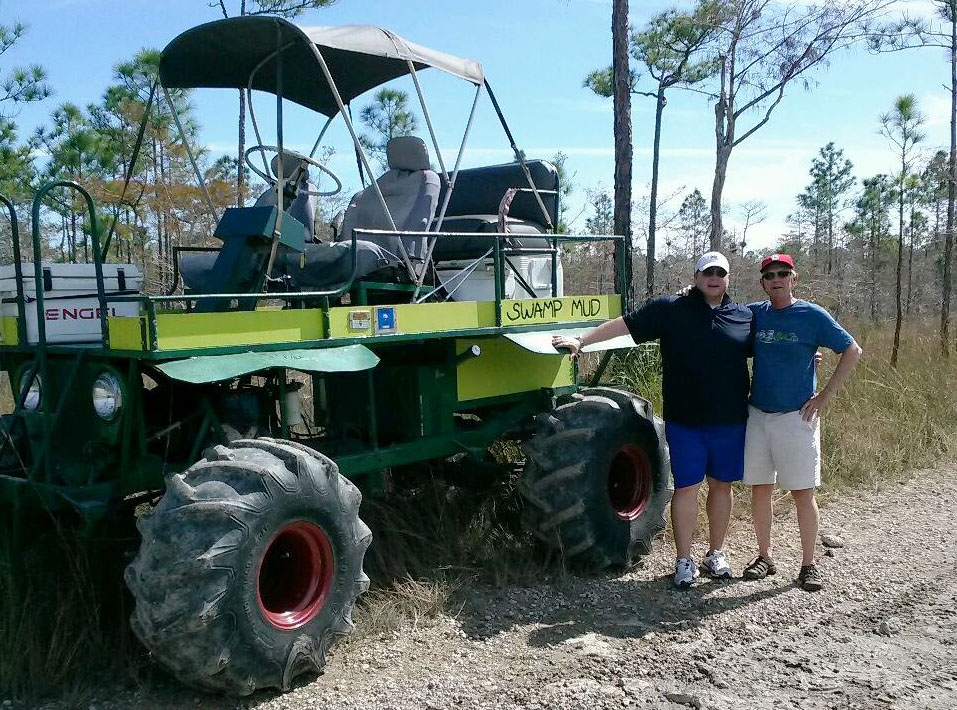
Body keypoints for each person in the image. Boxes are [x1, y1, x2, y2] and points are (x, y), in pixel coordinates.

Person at [552, 252, 752, 588]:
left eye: (720, 272)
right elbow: (625, 324)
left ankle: (716, 553)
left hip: (729, 421)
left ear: (728, 278)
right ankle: (684, 560)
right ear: (697, 275)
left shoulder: (744, 316)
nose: (714, 277)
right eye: (707, 272)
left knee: (722, 486)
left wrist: (809, 359)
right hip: (686, 421)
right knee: (687, 488)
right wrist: (582, 342)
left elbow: (773, 348)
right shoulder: (670, 310)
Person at [742, 254, 862, 592]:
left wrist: (824, 396)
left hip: (797, 417)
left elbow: (852, 350)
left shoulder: (812, 315)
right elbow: (721, 315)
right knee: (760, 489)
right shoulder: (756, 314)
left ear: (794, 279)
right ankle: (765, 556)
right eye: (770, 275)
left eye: (783, 273)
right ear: (763, 283)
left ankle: (808, 564)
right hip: (758, 414)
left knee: (802, 493)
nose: (776, 279)